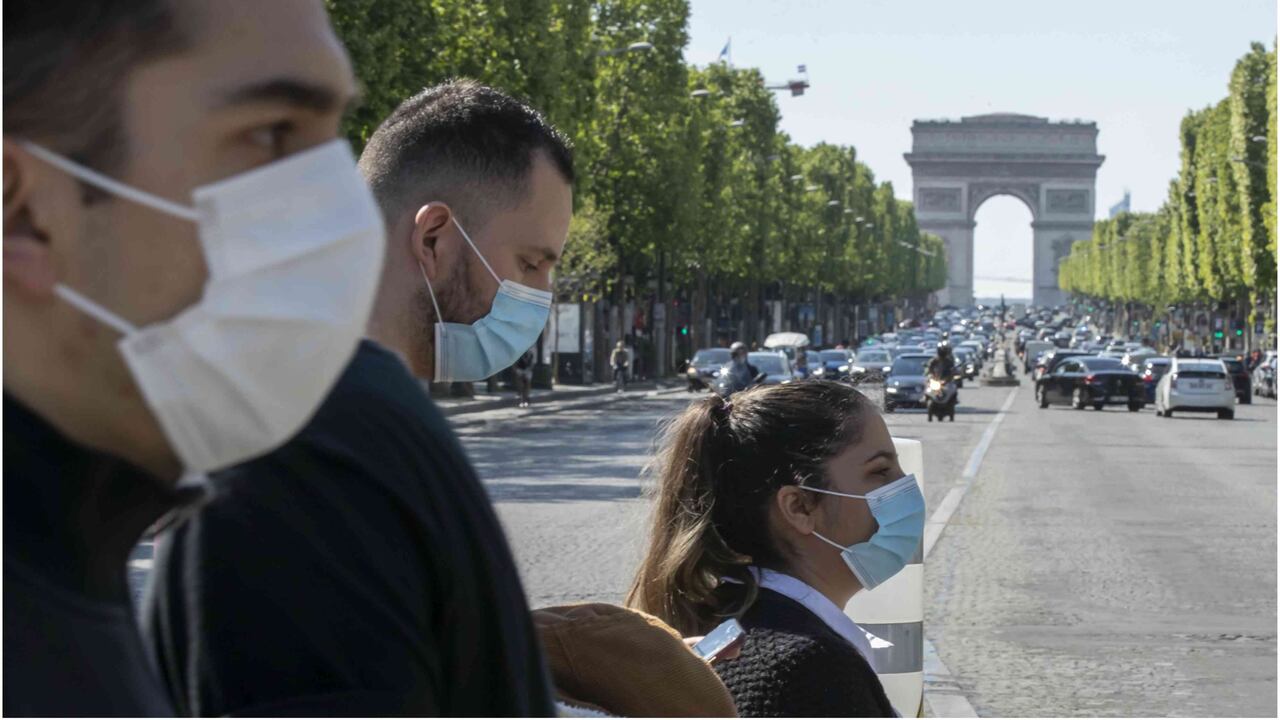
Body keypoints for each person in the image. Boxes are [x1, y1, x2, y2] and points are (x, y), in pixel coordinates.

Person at [145, 81, 572, 715]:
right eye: (532, 262)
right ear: (433, 239)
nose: (542, 293)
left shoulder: (329, 411)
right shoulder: (316, 444)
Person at [4, 1, 379, 715]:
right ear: (22, 210)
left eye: (333, 146)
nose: (346, 218)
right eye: (271, 136)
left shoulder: (79, 540)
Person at [626, 382, 922, 717]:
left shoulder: (727, 620)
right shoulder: (810, 668)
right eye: (881, 471)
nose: (904, 484)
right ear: (800, 507)